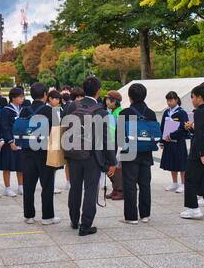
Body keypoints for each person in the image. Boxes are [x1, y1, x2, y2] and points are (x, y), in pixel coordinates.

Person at [64, 77, 117, 236]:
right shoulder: (100, 110)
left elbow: (64, 128)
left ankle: (74, 221)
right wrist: (112, 161)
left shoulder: (72, 106)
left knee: (75, 188)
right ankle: (85, 225)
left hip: (73, 154)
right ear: (98, 90)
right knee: (90, 190)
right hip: (93, 157)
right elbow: (106, 139)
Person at [19, 82, 60, 226]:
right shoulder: (50, 111)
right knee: (47, 184)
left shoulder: (24, 110)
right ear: (45, 95)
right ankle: (47, 217)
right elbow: (57, 132)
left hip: (27, 151)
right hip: (45, 152)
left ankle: (29, 216)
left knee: (28, 185)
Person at [118, 83, 158, 224]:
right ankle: (145, 214)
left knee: (129, 184)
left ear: (130, 97)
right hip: (146, 152)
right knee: (145, 184)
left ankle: (131, 217)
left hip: (129, 152)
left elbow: (119, 136)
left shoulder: (125, 113)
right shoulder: (151, 113)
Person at [180, 85, 204, 222]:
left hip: (200, 152)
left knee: (190, 178)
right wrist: (191, 128)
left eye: (193, 97)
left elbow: (200, 133)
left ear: (199, 97)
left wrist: (202, 154)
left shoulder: (200, 112)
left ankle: (193, 209)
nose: (192, 100)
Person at [160, 91, 189, 194]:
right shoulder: (166, 112)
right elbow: (162, 127)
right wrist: (162, 141)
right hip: (168, 141)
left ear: (176, 100)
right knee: (172, 161)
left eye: (171, 100)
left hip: (178, 141)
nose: (169, 102)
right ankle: (174, 183)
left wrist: (172, 135)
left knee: (181, 162)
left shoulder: (182, 112)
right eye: (167, 100)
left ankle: (183, 184)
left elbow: (184, 128)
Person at [0, 87, 24, 197]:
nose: (22, 99)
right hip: (10, 141)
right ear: (13, 98)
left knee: (21, 165)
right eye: (20, 97)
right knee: (7, 165)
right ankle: (7, 187)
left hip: (21, 140)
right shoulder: (6, 110)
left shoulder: (22, 109)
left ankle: (21, 186)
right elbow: (4, 127)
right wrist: (10, 141)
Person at [104, 91, 124, 201]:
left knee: (117, 167)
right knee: (111, 167)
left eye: (108, 99)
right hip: (111, 143)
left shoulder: (119, 113)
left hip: (116, 144)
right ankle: (115, 189)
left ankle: (120, 190)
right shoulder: (111, 112)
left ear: (114, 101)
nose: (106, 102)